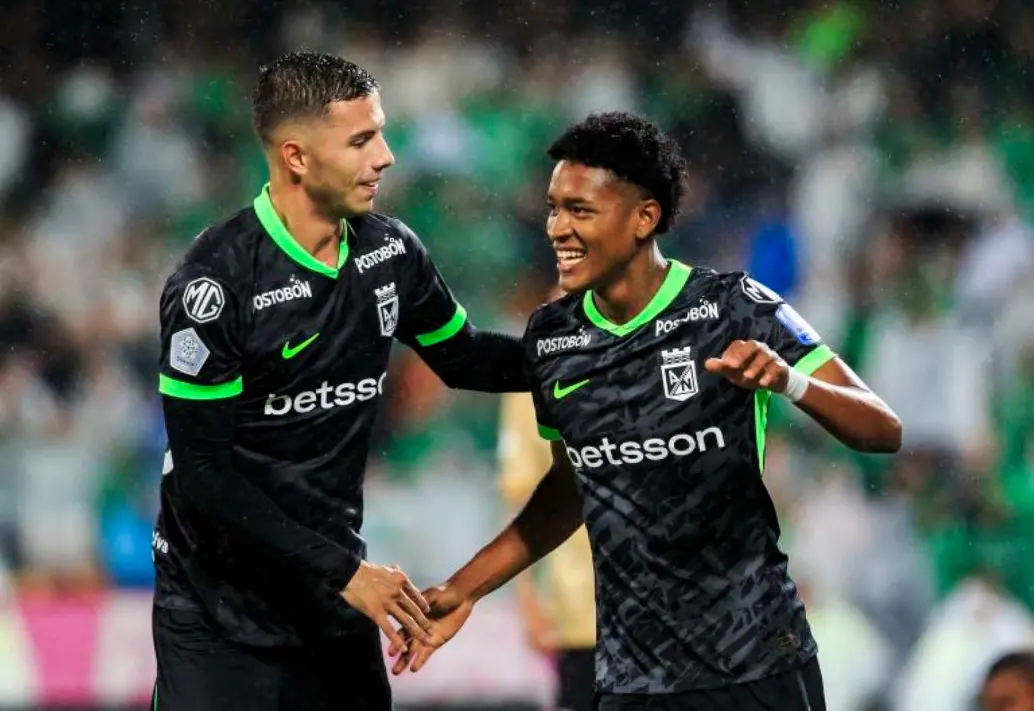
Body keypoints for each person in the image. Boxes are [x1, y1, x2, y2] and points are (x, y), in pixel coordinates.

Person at [391, 112, 903, 710]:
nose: (557, 227)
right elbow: (574, 485)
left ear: (644, 217)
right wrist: (466, 587)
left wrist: (791, 382)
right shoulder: (554, 338)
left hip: (757, 665)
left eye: (580, 210)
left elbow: (881, 429)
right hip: (632, 681)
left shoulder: (734, 307)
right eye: (554, 208)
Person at [151, 52, 527, 711]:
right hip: (219, 616)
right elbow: (206, 477)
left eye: (380, 132)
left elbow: (466, 357)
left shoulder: (390, 252)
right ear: (296, 156)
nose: (385, 156)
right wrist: (347, 572)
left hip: (331, 602)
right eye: (361, 139)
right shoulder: (215, 285)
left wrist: (602, 350)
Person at [498, 286, 597, 711]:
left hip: (661, 610)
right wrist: (526, 599)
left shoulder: (655, 351)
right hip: (579, 612)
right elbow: (520, 492)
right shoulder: (536, 372)